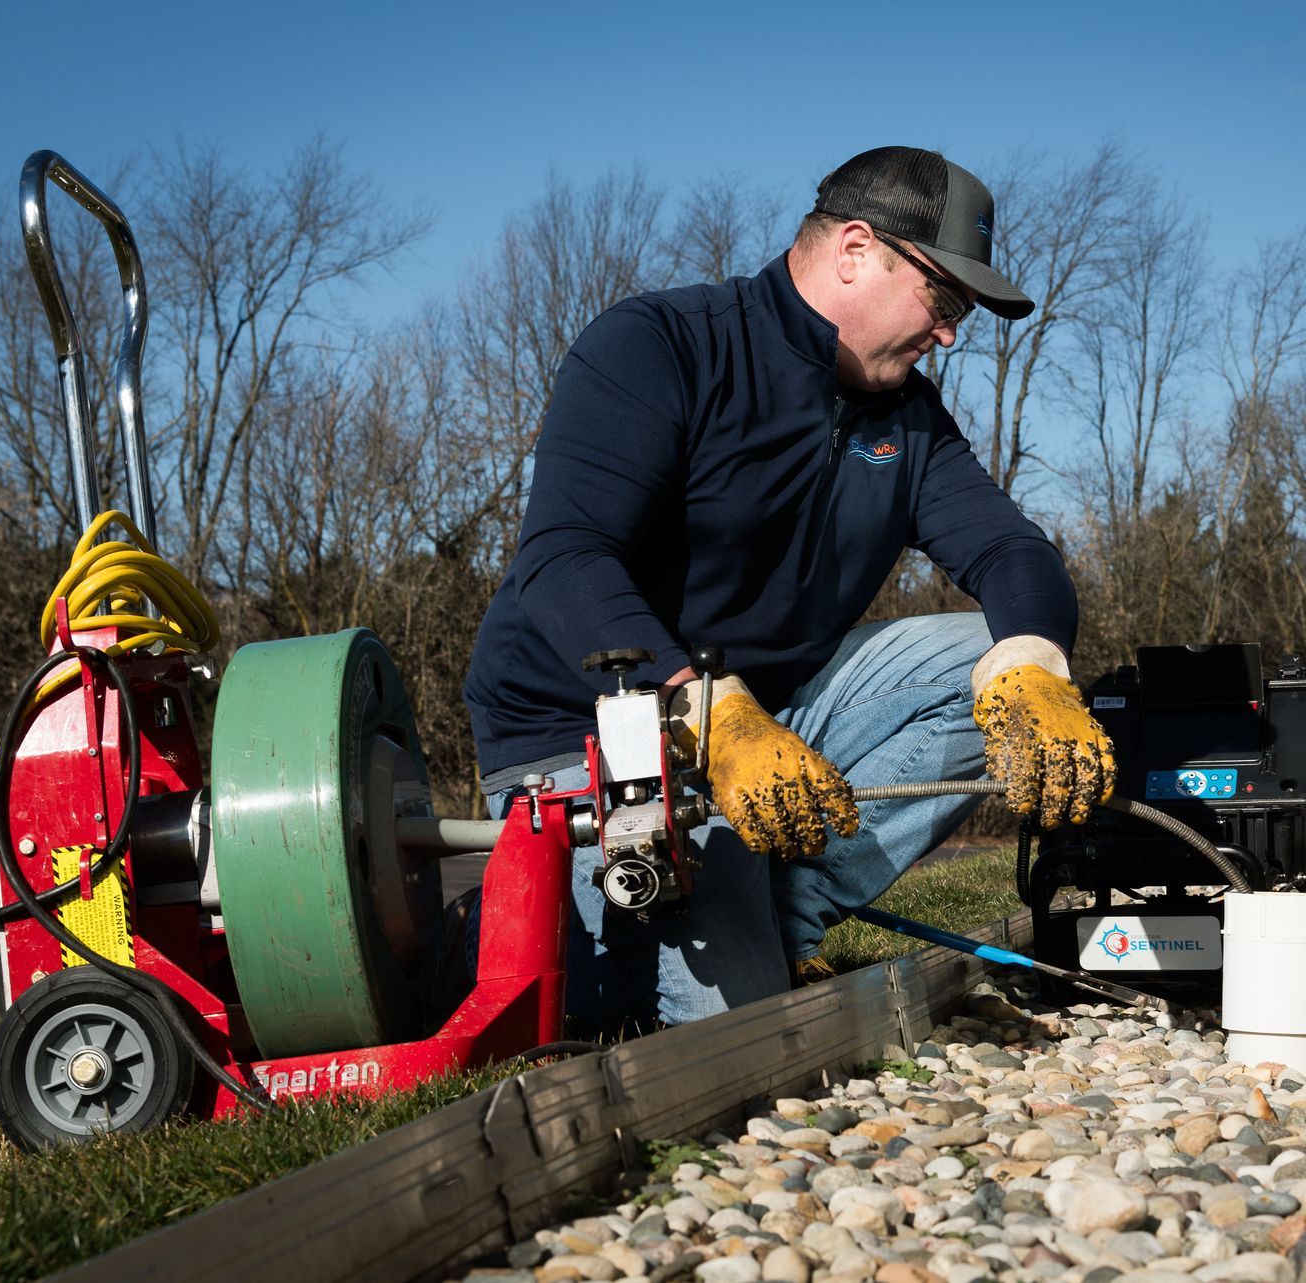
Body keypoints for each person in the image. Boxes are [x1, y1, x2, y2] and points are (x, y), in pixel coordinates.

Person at [461, 146, 1115, 1034]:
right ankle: (479, 943)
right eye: (944, 300)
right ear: (855, 249)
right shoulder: (661, 346)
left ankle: (784, 904)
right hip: (582, 740)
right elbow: (564, 557)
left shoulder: (906, 420)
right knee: (721, 1028)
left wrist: (1035, 665)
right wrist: (701, 711)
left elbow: (1011, 550)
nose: (952, 333)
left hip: (773, 729)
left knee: (987, 656)